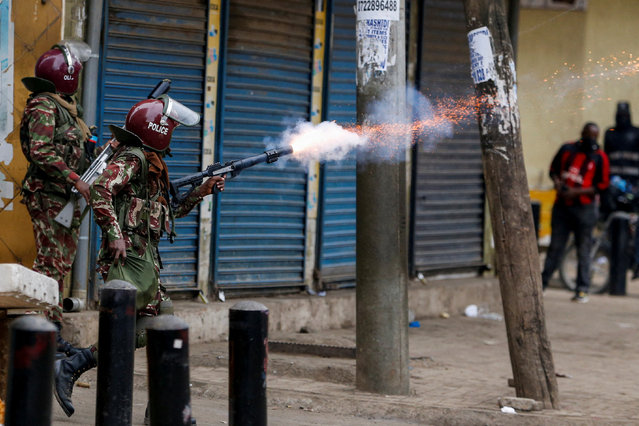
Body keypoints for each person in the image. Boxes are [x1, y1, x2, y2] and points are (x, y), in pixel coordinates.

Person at [53, 95, 225, 418]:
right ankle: (75, 367)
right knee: (133, 330)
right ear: (159, 129)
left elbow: (167, 212)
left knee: (164, 324)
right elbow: (102, 189)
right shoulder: (133, 159)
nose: (172, 131)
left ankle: (161, 408)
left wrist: (201, 192)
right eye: (169, 126)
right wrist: (115, 234)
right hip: (126, 260)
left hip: (145, 261)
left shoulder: (154, 166)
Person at [19, 40, 93, 356]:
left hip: (66, 196)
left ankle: (51, 331)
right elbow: (41, 151)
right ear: (66, 74)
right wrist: (74, 176)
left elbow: (70, 147)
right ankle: (45, 334)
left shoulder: (67, 107)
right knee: (50, 263)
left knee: (60, 263)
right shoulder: (44, 105)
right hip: (48, 194)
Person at [541, 123, 610, 303]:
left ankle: (582, 289)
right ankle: (542, 284)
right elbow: (553, 170)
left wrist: (576, 192)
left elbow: (602, 186)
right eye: (588, 135)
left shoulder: (600, 157)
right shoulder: (567, 149)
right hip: (562, 207)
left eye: (594, 136)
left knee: (584, 249)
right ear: (582, 133)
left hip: (585, 210)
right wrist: (558, 184)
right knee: (555, 247)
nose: (591, 139)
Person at [602, 102, 639, 278]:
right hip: (613, 187)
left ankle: (635, 260)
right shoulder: (610, 134)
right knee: (610, 222)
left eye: (625, 114)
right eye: (620, 114)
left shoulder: (636, 133)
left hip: (634, 186)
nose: (622, 117)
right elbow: (605, 159)